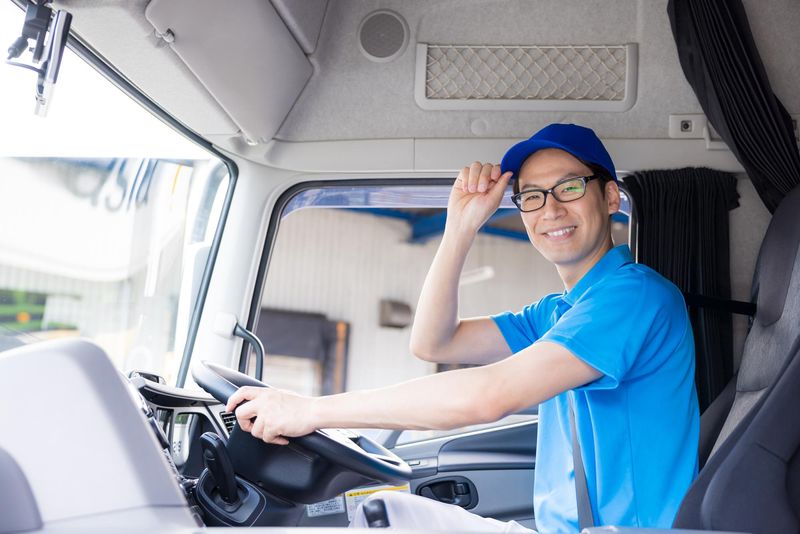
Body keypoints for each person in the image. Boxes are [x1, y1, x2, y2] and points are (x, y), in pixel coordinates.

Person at [226, 124, 700, 533]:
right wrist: (460, 227)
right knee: (385, 512)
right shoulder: (560, 312)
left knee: (383, 517)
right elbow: (434, 342)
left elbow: (487, 396)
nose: (550, 210)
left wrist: (311, 410)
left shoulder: (633, 296)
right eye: (532, 196)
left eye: (569, 187)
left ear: (611, 197)